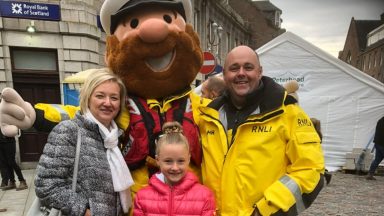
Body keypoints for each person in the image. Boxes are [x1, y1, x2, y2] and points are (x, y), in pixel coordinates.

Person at [197, 45, 325, 215]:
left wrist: (267, 209)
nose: (241, 73)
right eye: (234, 68)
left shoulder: (287, 113)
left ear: (259, 72)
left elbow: (311, 169)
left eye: (248, 67)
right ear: (225, 75)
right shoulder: (208, 116)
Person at [34, 68, 134, 215]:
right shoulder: (69, 131)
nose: (108, 103)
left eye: (114, 98)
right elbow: (46, 185)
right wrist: (84, 211)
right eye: (100, 96)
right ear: (87, 98)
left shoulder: (115, 138)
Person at [133, 121, 216, 215]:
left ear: (188, 159)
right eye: (168, 161)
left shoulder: (205, 196)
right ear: (157, 160)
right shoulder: (142, 197)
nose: (175, 168)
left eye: (180, 161)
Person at [310, 118, 332, 185]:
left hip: (312, 152)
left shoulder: (312, 134)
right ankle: (326, 174)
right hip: (315, 152)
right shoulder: (318, 134)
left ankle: (326, 175)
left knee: (313, 166)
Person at [366, 116, 384, 180]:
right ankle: (370, 174)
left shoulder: (380, 120)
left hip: (378, 143)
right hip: (382, 143)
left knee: (377, 160)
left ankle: (370, 174)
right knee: (377, 160)